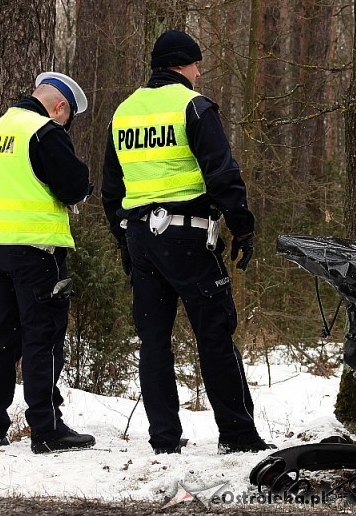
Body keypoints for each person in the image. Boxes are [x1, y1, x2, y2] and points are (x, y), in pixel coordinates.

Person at [102, 30, 275, 455]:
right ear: (183, 64)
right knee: (214, 333)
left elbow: (111, 188)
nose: (200, 72)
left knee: (154, 340)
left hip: (141, 237)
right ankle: (237, 435)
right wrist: (243, 225)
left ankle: (164, 438)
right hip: (188, 235)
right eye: (197, 64)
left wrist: (124, 242)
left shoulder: (124, 113)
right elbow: (221, 172)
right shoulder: (193, 106)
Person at [0, 71, 96, 454]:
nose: (65, 123)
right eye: (67, 116)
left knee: (1, 336)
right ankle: (46, 428)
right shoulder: (44, 132)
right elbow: (74, 184)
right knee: (42, 335)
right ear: (60, 107)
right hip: (36, 251)